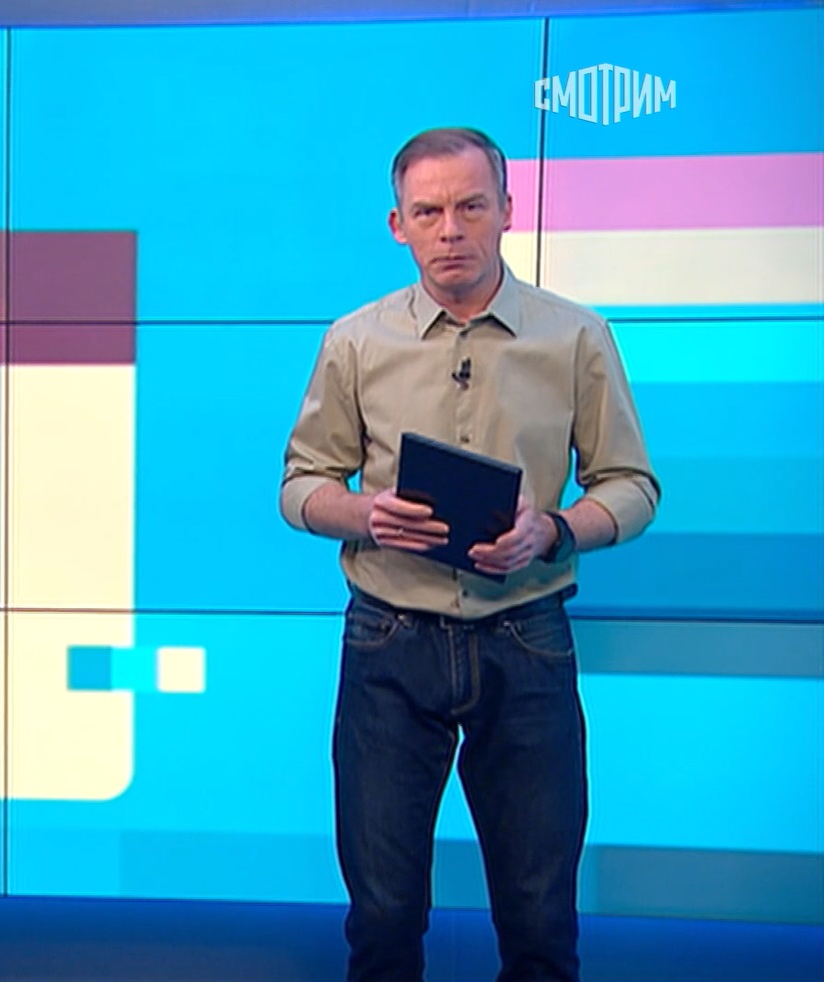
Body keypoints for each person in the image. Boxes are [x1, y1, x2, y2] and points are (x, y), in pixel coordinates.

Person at [278, 126, 660, 982]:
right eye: (427, 212)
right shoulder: (354, 340)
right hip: (387, 641)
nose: (449, 229)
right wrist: (365, 513)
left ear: (507, 211)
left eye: (469, 206)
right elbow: (300, 485)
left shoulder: (574, 337)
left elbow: (631, 485)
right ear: (397, 225)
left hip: (525, 640)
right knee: (382, 916)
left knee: (538, 917)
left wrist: (553, 531)